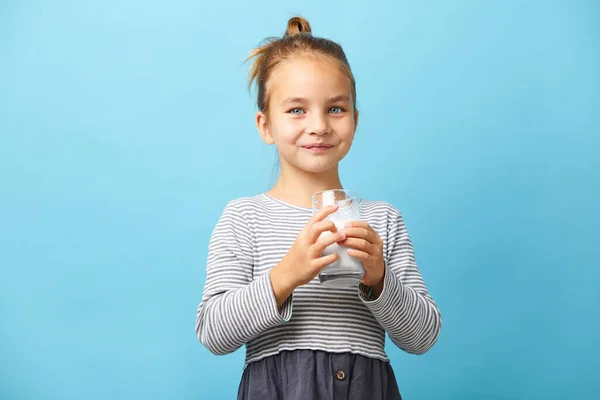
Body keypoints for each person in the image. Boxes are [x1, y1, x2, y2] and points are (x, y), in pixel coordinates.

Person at [195, 16, 442, 400]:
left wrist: (379, 278)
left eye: (336, 109)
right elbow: (213, 332)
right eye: (296, 110)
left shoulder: (381, 219)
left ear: (355, 121)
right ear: (265, 126)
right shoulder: (245, 218)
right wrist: (285, 275)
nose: (319, 126)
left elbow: (422, 336)